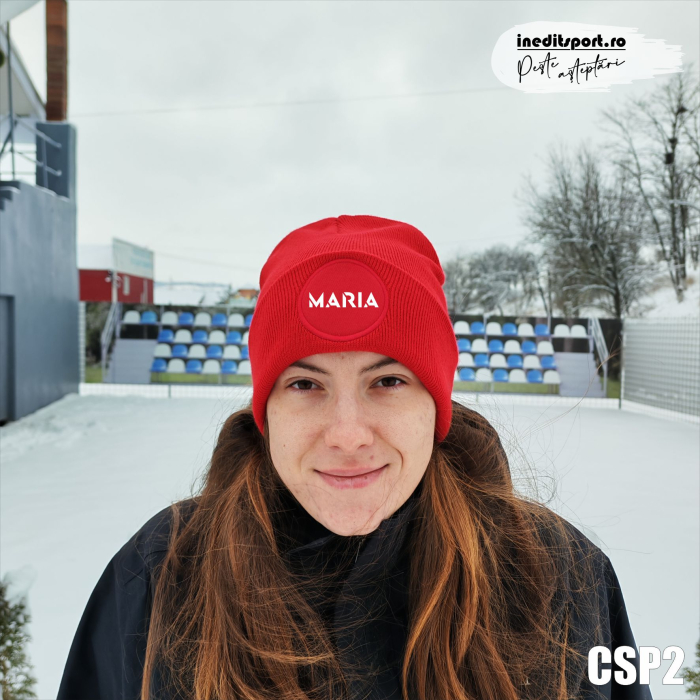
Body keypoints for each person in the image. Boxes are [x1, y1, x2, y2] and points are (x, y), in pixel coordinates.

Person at [57, 215, 653, 700]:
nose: (347, 435)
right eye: (305, 384)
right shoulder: (161, 569)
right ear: (267, 409)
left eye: (387, 381)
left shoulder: (558, 574)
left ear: (435, 404)